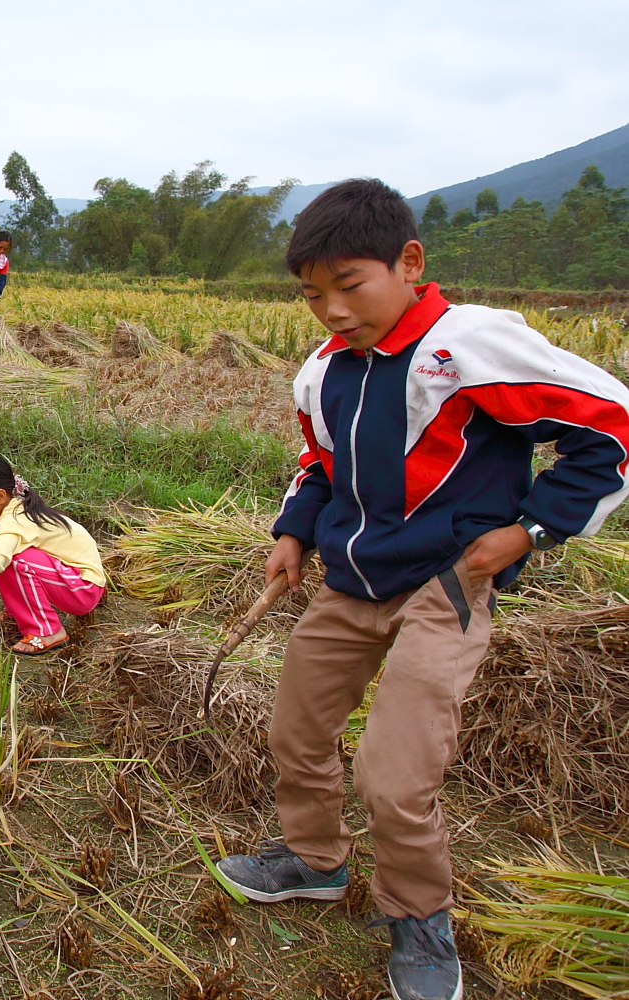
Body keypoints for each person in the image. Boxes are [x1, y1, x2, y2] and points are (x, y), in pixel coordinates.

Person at [213, 179, 629, 1000]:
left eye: (349, 284)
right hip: (350, 580)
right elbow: (321, 466)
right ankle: (315, 860)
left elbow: (609, 425)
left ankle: (419, 918)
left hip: (445, 585)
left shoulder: (467, 349)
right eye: (312, 293)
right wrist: (294, 531)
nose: (331, 309)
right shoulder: (325, 372)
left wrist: (532, 529)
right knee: (296, 729)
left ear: (409, 262)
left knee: (394, 777)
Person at [0, 452, 107, 654]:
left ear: (0, 495)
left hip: (83, 589)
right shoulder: (17, 511)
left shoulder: (16, 521)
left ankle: (47, 631)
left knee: (11, 559)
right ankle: (20, 609)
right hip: (71, 579)